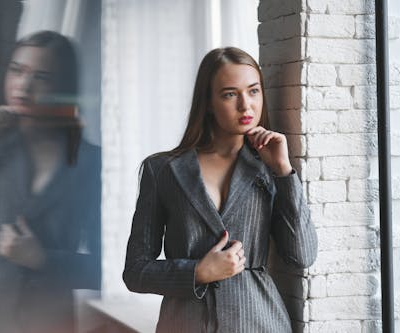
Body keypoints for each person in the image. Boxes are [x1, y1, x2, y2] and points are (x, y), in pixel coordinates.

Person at [123, 47, 318, 332]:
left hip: (259, 322)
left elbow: (302, 255)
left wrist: (284, 172)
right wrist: (198, 272)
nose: (246, 106)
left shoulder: (268, 168)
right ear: (209, 102)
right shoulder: (162, 170)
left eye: (253, 91)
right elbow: (135, 271)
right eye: (230, 94)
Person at [0, 30, 101, 333]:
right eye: (17, 71)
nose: (23, 86)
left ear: (63, 87)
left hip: (47, 320)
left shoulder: (92, 164)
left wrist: (43, 259)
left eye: (42, 77)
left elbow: (107, 267)